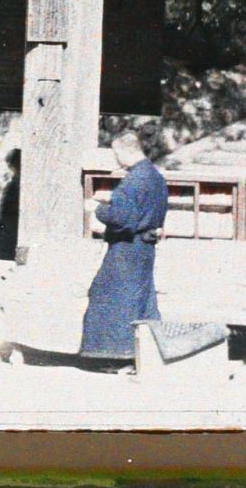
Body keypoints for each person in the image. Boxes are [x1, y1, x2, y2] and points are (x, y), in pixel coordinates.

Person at [80, 129, 168, 370]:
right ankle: (144, 354)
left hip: (127, 248)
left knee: (109, 297)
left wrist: (96, 209)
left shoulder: (133, 181)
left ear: (124, 151)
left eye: (116, 153)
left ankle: (116, 357)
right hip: (146, 247)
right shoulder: (155, 176)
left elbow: (121, 217)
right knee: (142, 300)